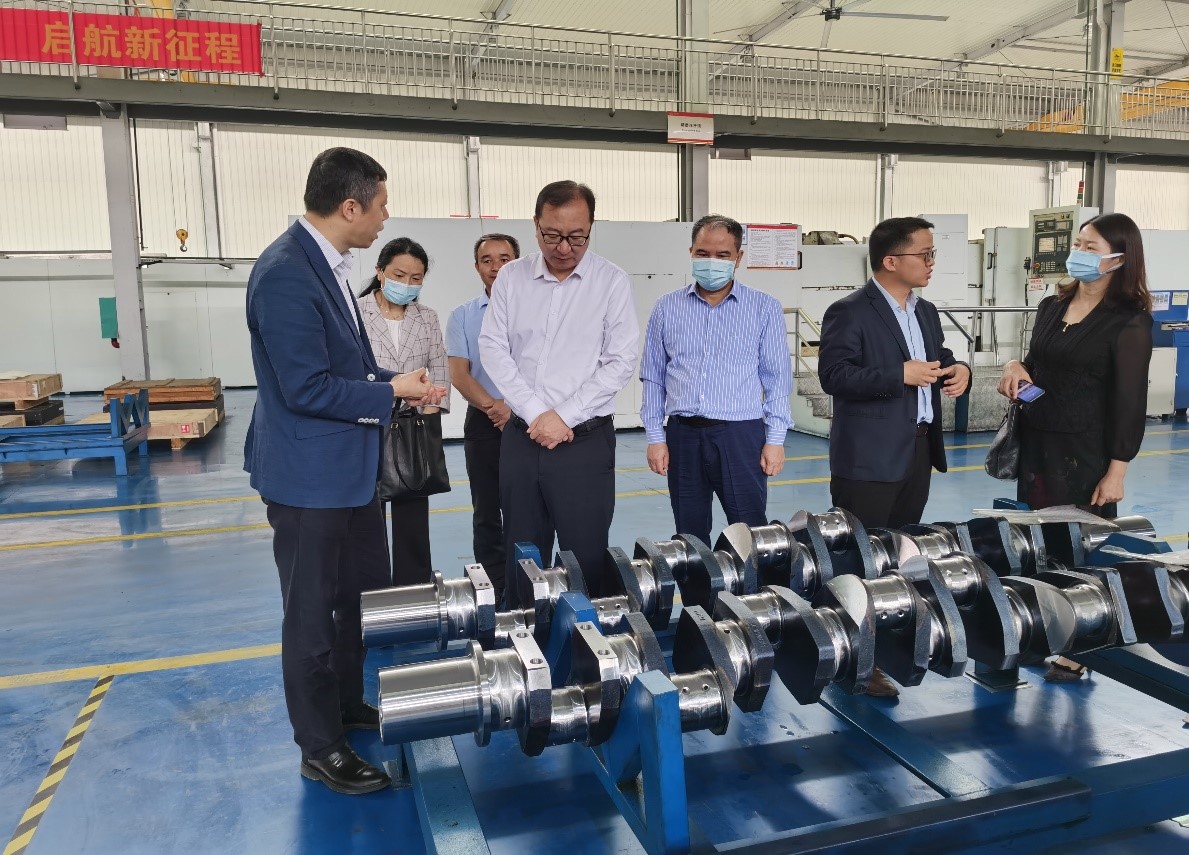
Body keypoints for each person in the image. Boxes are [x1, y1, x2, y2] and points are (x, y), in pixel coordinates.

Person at [245, 147, 444, 795]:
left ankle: (346, 704)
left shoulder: (329, 264)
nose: (386, 218)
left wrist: (397, 383)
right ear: (350, 206)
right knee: (310, 615)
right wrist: (389, 393)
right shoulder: (285, 273)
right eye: (381, 205)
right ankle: (320, 745)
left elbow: (348, 367)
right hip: (309, 479)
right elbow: (305, 387)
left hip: (352, 475)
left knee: (358, 600)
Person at [996, 212, 1153, 683]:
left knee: (1079, 549)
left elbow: (1130, 402)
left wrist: (1117, 469)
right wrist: (1014, 366)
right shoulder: (1052, 306)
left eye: (1090, 247)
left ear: (1118, 259)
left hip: (1085, 455)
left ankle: (1081, 641)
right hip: (1038, 444)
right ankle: (1043, 625)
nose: (1078, 254)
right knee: (1035, 544)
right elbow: (1037, 363)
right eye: (1078, 244)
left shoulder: (1128, 323)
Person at [818, 215, 971, 697]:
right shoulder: (850, 311)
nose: (931, 262)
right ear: (890, 261)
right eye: (924, 254)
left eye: (932, 253)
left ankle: (882, 648)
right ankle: (852, 659)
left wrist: (958, 369)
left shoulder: (925, 311)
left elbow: (939, 356)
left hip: (916, 451)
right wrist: (897, 375)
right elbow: (834, 376)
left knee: (899, 555)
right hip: (868, 459)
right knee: (859, 559)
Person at [478, 181, 638, 597]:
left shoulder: (611, 282)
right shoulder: (512, 278)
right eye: (552, 235)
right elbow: (493, 348)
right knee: (523, 555)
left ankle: (582, 635)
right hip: (522, 439)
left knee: (585, 556)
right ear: (535, 225)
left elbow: (620, 361)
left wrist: (563, 417)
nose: (564, 247)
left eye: (577, 237)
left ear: (591, 227)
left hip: (584, 444)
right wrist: (537, 413)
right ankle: (523, 629)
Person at [639, 214, 792, 547]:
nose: (712, 262)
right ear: (691, 252)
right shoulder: (667, 307)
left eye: (723, 255)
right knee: (689, 535)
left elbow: (776, 378)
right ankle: (699, 584)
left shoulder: (763, 308)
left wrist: (776, 439)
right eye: (703, 253)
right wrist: (655, 436)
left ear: (738, 257)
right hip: (683, 435)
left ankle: (753, 584)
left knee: (750, 531)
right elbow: (653, 376)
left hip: (741, 435)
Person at [357, 237, 451, 587]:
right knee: (366, 514)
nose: (407, 284)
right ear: (380, 272)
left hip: (414, 424)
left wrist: (430, 405)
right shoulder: (355, 313)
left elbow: (439, 367)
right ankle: (373, 592)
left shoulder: (427, 318)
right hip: (367, 423)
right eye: (399, 275)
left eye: (416, 278)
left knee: (412, 511)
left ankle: (415, 589)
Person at [446, 233, 521, 604]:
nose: (496, 267)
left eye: (505, 259)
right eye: (487, 260)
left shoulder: (538, 310)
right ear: (476, 267)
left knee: (526, 506)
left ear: (518, 263)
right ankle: (494, 587)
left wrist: (514, 408)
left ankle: (526, 581)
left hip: (529, 420)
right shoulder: (462, 315)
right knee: (487, 508)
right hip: (483, 421)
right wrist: (495, 407)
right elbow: (459, 375)